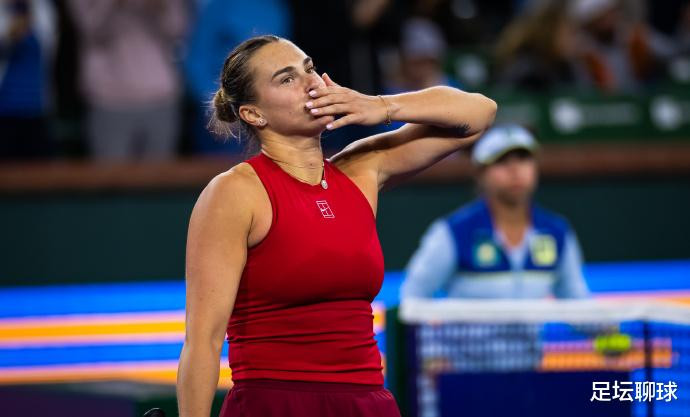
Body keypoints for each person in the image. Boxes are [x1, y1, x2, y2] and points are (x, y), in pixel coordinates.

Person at [176, 35, 496, 417]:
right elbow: (203, 342)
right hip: (276, 405)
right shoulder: (234, 192)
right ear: (253, 114)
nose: (311, 83)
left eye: (309, 68)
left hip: (366, 403)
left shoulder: (361, 170)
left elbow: (479, 114)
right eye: (287, 78)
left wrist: (380, 106)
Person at [399, 124, 589, 417]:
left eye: (523, 159)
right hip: (462, 380)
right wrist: (431, 355)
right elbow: (412, 299)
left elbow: (576, 301)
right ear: (481, 173)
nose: (515, 170)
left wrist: (609, 331)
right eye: (502, 161)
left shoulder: (557, 233)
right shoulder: (452, 232)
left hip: (527, 381)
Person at [68, 0, 188, 161]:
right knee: (111, 174)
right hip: (108, 99)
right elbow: (90, 29)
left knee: (160, 175)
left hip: (160, 96)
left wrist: (158, 5)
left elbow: (178, 29)